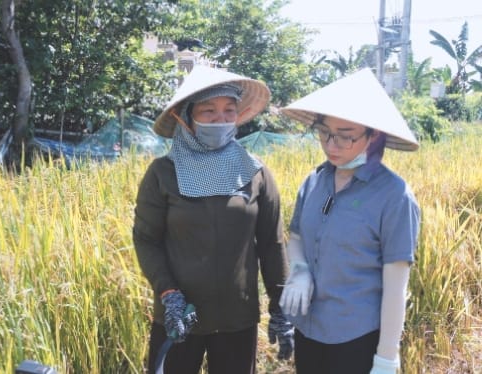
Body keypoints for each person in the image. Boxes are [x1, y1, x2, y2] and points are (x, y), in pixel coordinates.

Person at [133, 65, 294, 374]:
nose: (220, 121)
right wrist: (168, 293)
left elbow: (272, 246)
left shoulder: (255, 173)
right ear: (186, 117)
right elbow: (146, 239)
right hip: (178, 316)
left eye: (229, 111)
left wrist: (280, 305)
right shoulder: (162, 173)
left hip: (237, 320)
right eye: (208, 111)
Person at [278, 68, 421, 374]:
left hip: (356, 338)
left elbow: (396, 284)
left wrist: (386, 357)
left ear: (374, 136)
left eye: (346, 136)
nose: (332, 145)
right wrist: (300, 269)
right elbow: (297, 237)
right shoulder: (314, 182)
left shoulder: (394, 196)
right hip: (309, 330)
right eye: (324, 132)